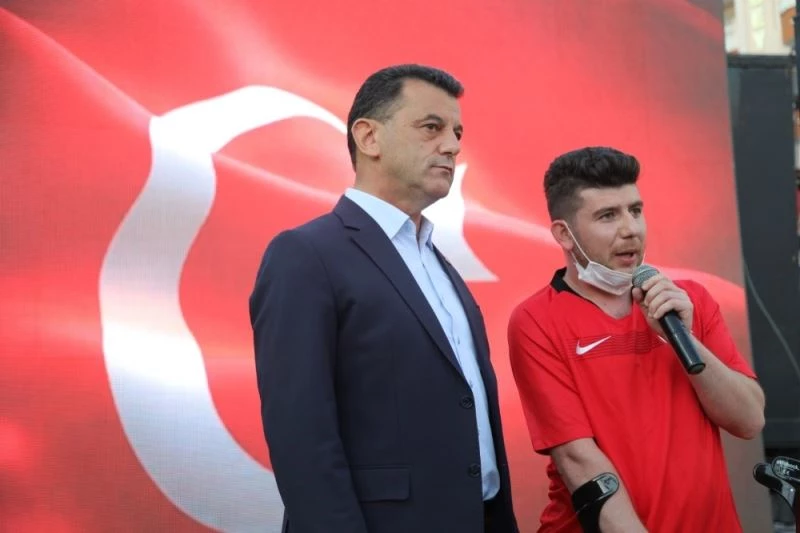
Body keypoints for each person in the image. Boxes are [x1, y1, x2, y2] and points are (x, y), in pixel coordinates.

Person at [250, 64, 519, 533]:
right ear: (368, 137)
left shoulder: (442, 268)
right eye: (431, 127)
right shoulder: (306, 254)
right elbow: (300, 435)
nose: (452, 146)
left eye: (456, 133)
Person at [507, 146, 766, 532]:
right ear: (564, 234)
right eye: (608, 216)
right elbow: (579, 461)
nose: (631, 229)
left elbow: (748, 420)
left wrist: (684, 339)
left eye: (636, 210)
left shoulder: (688, 301)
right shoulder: (536, 320)